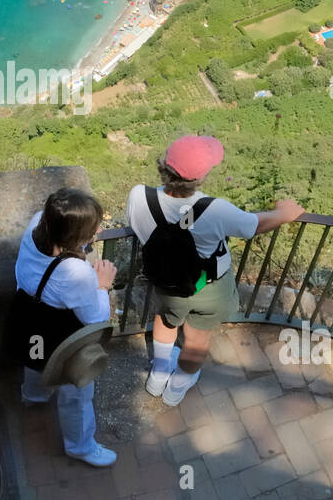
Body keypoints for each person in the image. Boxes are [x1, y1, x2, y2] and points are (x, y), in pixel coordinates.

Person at [127, 136, 304, 406]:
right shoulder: (215, 209)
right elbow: (252, 225)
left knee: (165, 320)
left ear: (165, 164)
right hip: (206, 286)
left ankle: (157, 376)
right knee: (197, 338)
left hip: (165, 281)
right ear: (200, 177)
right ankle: (178, 386)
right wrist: (283, 214)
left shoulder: (139, 196)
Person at [14, 188, 119, 467]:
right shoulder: (76, 273)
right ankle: (80, 446)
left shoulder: (35, 225)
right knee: (78, 389)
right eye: (91, 231)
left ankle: (33, 396)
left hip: (29, 316)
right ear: (75, 237)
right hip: (61, 334)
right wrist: (103, 284)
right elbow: (95, 316)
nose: (95, 233)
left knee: (34, 360)